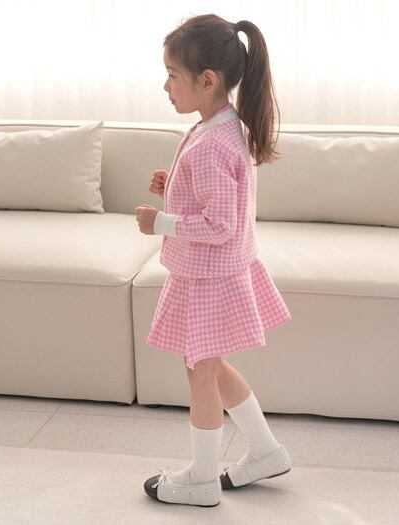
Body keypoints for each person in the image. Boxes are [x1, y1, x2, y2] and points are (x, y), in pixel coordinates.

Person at [134, 13, 292, 507]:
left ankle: (202, 478)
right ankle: (265, 451)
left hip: (208, 277)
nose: (165, 86)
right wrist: (174, 188)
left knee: (200, 372)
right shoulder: (221, 128)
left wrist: (160, 222)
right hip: (214, 273)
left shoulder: (211, 143)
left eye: (172, 75)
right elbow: (217, 200)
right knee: (211, 366)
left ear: (206, 81)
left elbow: (220, 225)